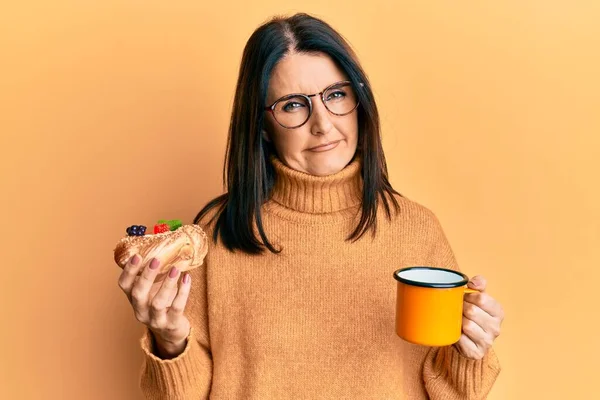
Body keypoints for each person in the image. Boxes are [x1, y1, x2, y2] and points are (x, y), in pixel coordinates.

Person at [117, 13, 504, 399]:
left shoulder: (416, 229)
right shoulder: (217, 232)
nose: (322, 123)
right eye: (292, 105)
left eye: (336, 95)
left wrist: (471, 350)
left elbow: (452, 392)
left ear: (359, 101)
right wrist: (169, 340)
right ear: (262, 127)